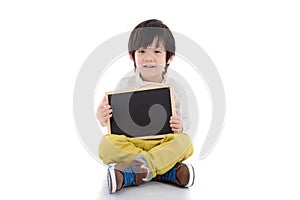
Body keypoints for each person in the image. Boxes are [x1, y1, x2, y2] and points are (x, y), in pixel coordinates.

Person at [96, 19, 194, 194]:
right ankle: (164, 171)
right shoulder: (125, 84)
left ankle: (134, 173)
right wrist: (103, 117)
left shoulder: (177, 89)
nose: (149, 58)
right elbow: (115, 123)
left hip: (162, 143)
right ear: (132, 56)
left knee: (184, 142)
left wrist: (180, 126)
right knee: (106, 145)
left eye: (157, 51)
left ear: (169, 57)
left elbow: (184, 125)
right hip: (132, 143)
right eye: (142, 51)